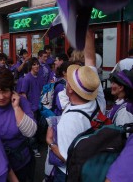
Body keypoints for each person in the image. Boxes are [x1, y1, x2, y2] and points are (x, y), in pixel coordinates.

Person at [49, 31, 106, 181]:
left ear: (70, 89)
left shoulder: (70, 120)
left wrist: (51, 144)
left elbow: (70, 160)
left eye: (68, 82)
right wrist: (85, 29)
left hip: (68, 174)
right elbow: (90, 58)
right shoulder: (98, 98)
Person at [0, 67, 37, 181]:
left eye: (5, 91)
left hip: (20, 161)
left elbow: (30, 132)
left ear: (12, 90)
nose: (1, 97)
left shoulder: (21, 101)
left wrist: (16, 107)